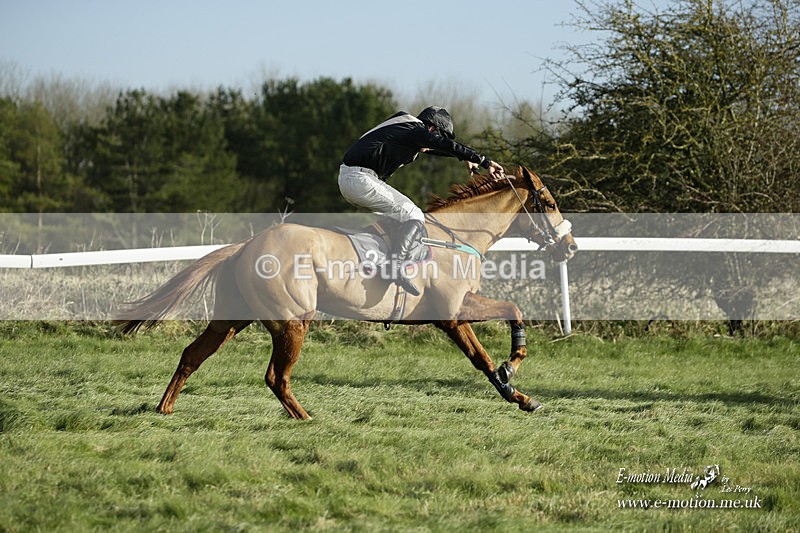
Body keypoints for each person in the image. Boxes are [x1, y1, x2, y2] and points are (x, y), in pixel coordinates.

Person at [339, 106, 504, 296]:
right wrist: (485, 161)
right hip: (360, 180)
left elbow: (440, 148)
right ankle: (394, 267)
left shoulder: (406, 128)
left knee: (399, 220)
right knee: (414, 214)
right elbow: (443, 145)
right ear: (432, 128)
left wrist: (465, 157)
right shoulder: (413, 128)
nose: (429, 147)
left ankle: (375, 261)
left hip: (354, 178)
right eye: (435, 138)